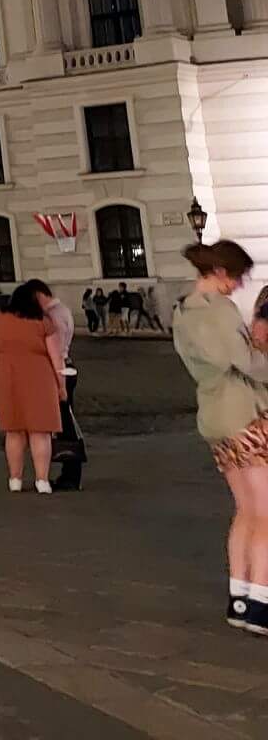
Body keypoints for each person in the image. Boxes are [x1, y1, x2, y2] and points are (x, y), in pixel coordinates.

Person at [173, 240, 268, 634]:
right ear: (223, 273)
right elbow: (247, 363)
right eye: (239, 277)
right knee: (265, 514)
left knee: (246, 509)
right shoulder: (219, 311)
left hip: (214, 414)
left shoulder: (183, 311)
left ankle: (240, 598)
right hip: (243, 413)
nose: (240, 286)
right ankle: (261, 602)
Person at [0, 282, 66, 493]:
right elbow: (57, 358)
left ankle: (15, 480)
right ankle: (42, 480)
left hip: (7, 376)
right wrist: (61, 387)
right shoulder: (43, 321)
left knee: (14, 430)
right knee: (41, 431)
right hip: (40, 377)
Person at [23, 280, 83, 490]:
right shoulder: (63, 309)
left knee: (63, 424)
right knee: (65, 422)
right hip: (66, 368)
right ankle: (70, 474)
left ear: (38, 295)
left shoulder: (52, 316)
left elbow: (56, 352)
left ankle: (70, 474)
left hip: (59, 371)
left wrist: (60, 385)